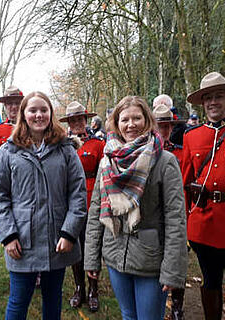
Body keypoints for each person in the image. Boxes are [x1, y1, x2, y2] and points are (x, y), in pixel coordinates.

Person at [84, 95, 187, 320]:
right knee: (128, 315)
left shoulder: (164, 161)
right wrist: (91, 258)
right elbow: (95, 213)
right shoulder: (107, 160)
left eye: (137, 118)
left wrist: (172, 271)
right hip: (114, 254)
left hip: (150, 260)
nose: (131, 124)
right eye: (125, 119)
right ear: (117, 124)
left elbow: (175, 218)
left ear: (147, 120)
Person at [0, 91, 87, 320]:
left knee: (53, 297)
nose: (38, 115)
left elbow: (78, 194)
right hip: (22, 240)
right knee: (19, 300)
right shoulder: (8, 151)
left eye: (43, 110)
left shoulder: (65, 150)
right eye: (33, 110)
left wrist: (69, 232)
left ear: (51, 113)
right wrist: (8, 235)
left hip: (58, 239)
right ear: (24, 114)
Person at [183, 71, 225, 320]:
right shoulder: (192, 136)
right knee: (210, 280)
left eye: (218, 96)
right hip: (204, 222)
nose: (213, 102)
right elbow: (185, 183)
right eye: (208, 97)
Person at [59, 101, 105, 312]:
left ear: (86, 120)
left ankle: (93, 289)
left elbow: (104, 175)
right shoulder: (63, 145)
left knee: (91, 247)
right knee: (74, 245)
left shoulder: (97, 144)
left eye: (80, 119)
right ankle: (79, 287)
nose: (77, 123)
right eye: (72, 120)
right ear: (68, 122)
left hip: (91, 199)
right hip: (69, 202)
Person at [153, 104, 187, 320]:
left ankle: (177, 304)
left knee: (177, 257)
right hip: (155, 218)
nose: (163, 130)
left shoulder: (181, 151)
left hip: (177, 211)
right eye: (159, 126)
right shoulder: (147, 153)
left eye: (167, 126)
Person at [0, 85, 24, 177]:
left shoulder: (31, 129)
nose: (14, 107)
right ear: (5, 106)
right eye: (10, 103)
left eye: (17, 103)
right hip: (3, 180)